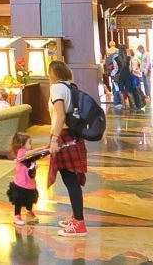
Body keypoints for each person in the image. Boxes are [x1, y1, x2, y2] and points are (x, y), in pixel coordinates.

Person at [47, 61, 88, 237]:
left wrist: (54, 139)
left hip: (62, 135)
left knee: (70, 180)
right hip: (73, 134)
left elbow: (61, 114)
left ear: (53, 73)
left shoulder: (56, 88)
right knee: (71, 179)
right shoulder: (71, 86)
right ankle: (76, 217)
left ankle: (79, 223)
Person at [7, 132, 40, 227]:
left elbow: (35, 157)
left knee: (30, 199)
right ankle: (17, 215)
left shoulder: (30, 155)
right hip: (21, 184)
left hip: (30, 183)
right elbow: (28, 153)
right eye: (29, 143)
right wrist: (41, 148)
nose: (31, 145)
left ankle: (29, 211)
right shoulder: (21, 153)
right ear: (22, 144)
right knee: (19, 200)